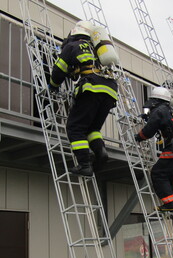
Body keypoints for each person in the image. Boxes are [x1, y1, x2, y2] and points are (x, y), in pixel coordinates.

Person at [49, 21, 118, 177]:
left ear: (74, 33)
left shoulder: (73, 46)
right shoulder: (97, 50)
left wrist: (53, 86)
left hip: (91, 88)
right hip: (110, 90)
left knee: (75, 128)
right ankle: (101, 153)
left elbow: (58, 71)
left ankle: (84, 165)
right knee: (92, 129)